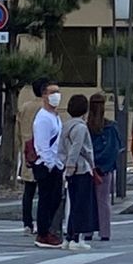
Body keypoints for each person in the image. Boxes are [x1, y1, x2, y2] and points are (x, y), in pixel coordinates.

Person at [59, 94, 97, 251]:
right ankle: (76, 238)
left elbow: (62, 148)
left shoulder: (66, 126)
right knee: (81, 205)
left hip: (69, 169)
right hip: (81, 168)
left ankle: (68, 238)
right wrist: (72, 165)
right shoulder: (81, 127)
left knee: (73, 204)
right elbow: (78, 148)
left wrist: (65, 165)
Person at [32, 81, 65, 249]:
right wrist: (50, 164)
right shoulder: (43, 118)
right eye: (52, 92)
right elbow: (42, 144)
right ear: (44, 95)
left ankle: (50, 231)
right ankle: (43, 233)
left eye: (58, 91)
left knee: (54, 200)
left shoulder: (55, 116)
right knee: (46, 200)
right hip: (46, 165)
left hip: (56, 164)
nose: (56, 95)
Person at [86, 92, 121, 242]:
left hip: (88, 168)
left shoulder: (86, 126)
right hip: (105, 170)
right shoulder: (110, 127)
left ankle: (88, 230)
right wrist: (103, 166)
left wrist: (92, 164)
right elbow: (115, 149)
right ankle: (105, 232)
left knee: (89, 200)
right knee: (103, 201)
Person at [18, 77, 49, 235]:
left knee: (28, 191)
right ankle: (43, 223)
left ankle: (27, 224)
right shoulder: (46, 108)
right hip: (43, 153)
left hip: (27, 151)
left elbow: (18, 129)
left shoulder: (25, 107)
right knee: (44, 192)